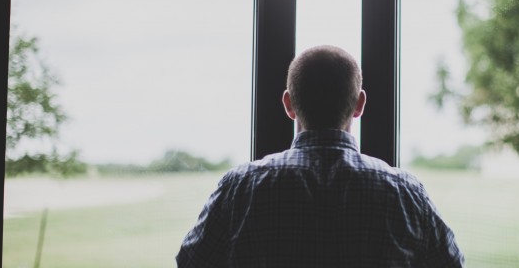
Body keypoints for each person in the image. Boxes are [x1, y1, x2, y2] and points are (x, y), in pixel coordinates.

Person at [176, 45, 465, 267]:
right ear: (359, 104)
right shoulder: (406, 193)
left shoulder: (239, 187)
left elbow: (191, 263)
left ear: (289, 104)